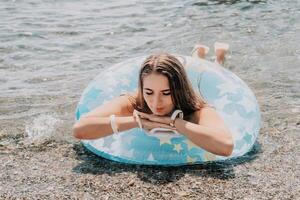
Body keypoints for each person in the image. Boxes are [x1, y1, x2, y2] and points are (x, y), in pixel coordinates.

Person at [73, 42, 233, 157]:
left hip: (192, 89)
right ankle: (199, 53)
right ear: (141, 89)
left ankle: (217, 57)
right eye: (149, 92)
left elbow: (226, 146)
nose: (156, 103)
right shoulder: (135, 100)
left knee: (213, 69)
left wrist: (174, 122)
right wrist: (138, 121)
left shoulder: (196, 108)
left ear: (178, 90)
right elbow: (80, 129)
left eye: (166, 93)